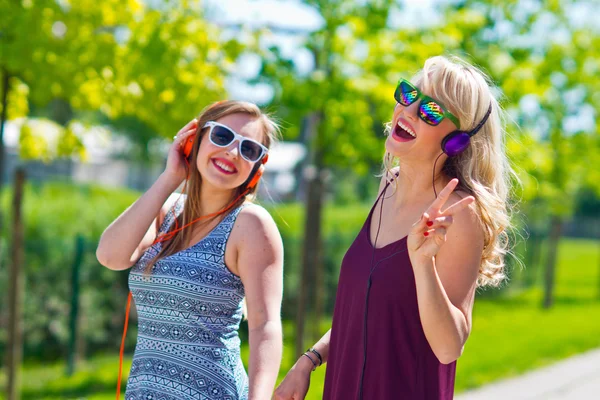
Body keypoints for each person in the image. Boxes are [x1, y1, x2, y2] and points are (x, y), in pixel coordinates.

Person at [274, 55, 515, 399]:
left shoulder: (459, 212)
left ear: (457, 140)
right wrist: (308, 361)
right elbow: (366, 310)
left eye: (431, 110)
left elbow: (449, 346)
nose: (409, 111)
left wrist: (422, 264)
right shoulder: (388, 187)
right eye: (408, 95)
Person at [96, 100, 284, 400]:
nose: (233, 152)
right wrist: (170, 177)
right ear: (192, 140)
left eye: (249, 149)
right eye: (222, 136)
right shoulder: (165, 212)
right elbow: (110, 256)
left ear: (256, 168)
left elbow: (266, 326)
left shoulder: (251, 224)